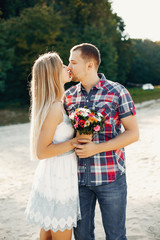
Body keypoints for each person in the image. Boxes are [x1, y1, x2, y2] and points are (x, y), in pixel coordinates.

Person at [64, 43, 139, 240]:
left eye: (73, 62)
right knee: (82, 237)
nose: (68, 67)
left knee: (115, 236)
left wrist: (97, 148)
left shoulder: (117, 91)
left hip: (111, 178)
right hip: (77, 181)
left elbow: (133, 133)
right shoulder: (68, 96)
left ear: (90, 65)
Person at [25, 52, 81, 240]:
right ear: (53, 74)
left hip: (55, 174)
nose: (68, 67)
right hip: (59, 178)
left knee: (48, 235)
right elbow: (42, 151)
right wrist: (75, 141)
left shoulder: (57, 104)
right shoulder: (54, 108)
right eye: (62, 65)